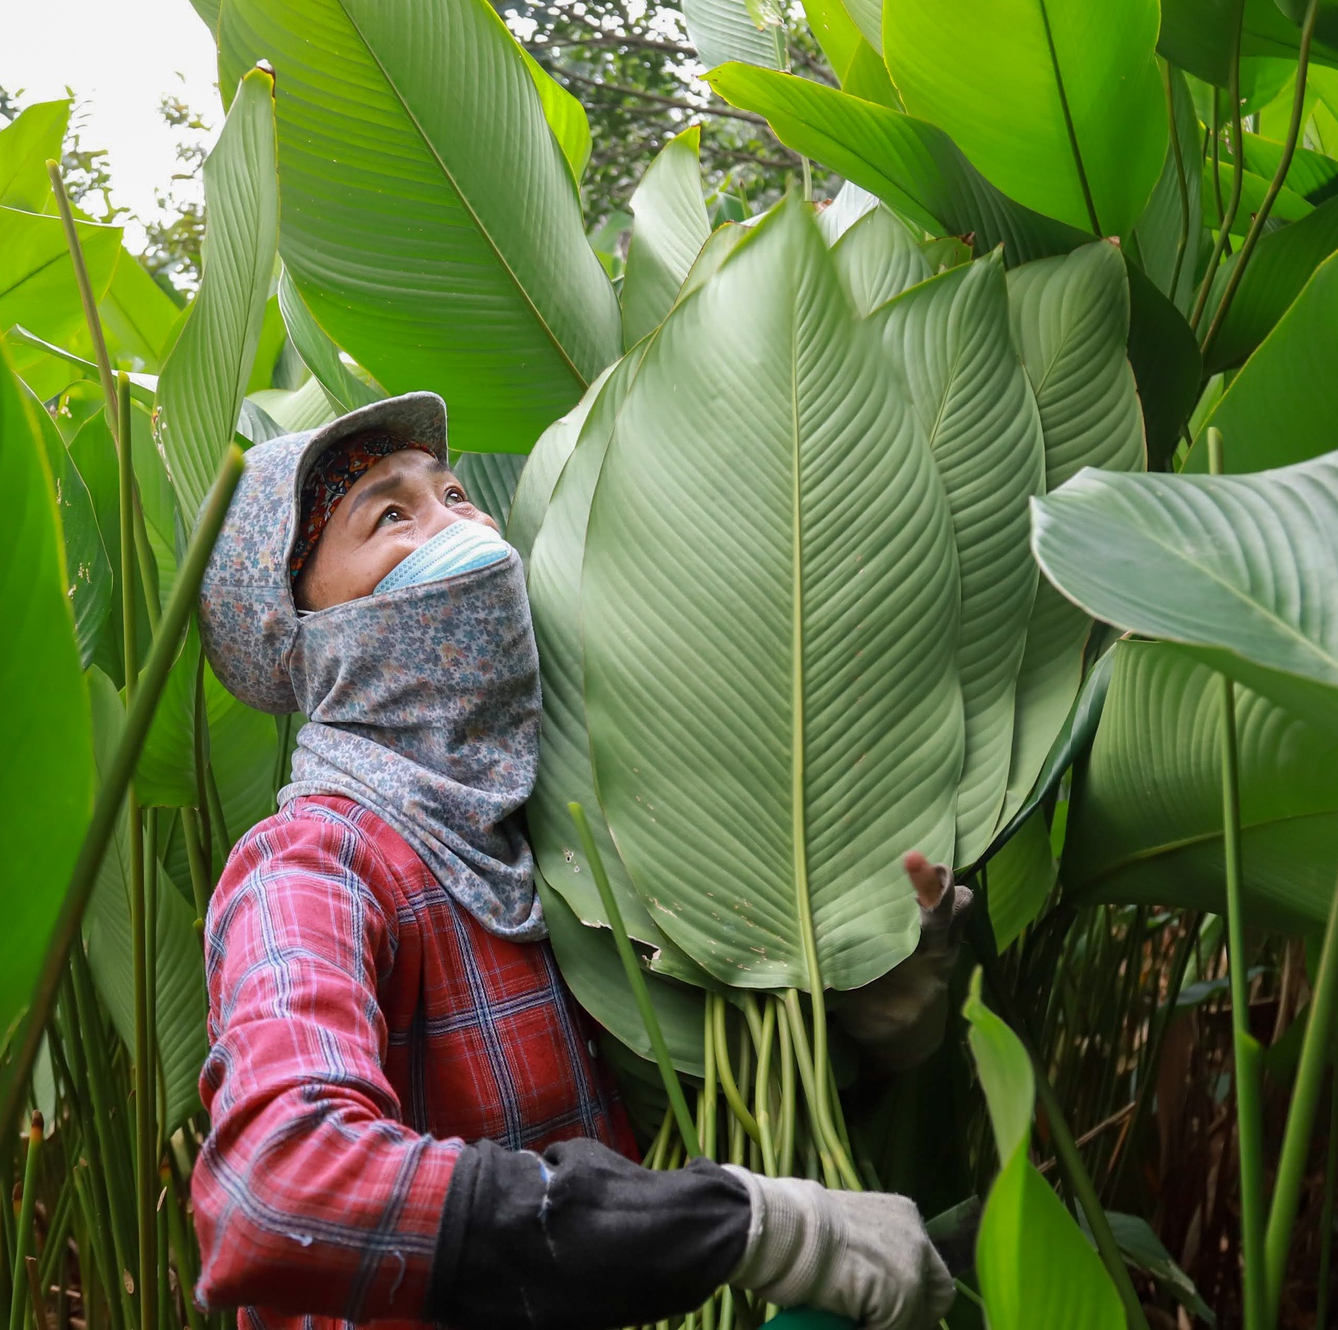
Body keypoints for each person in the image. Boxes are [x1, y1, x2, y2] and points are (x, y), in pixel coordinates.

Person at [189, 392, 962, 1330]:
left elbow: (696, 1113)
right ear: (305, 633)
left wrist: (872, 1017)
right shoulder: (308, 867)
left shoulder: (556, 834)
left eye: (454, 495)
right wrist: (744, 1228)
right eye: (390, 516)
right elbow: (278, 1187)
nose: (464, 531)